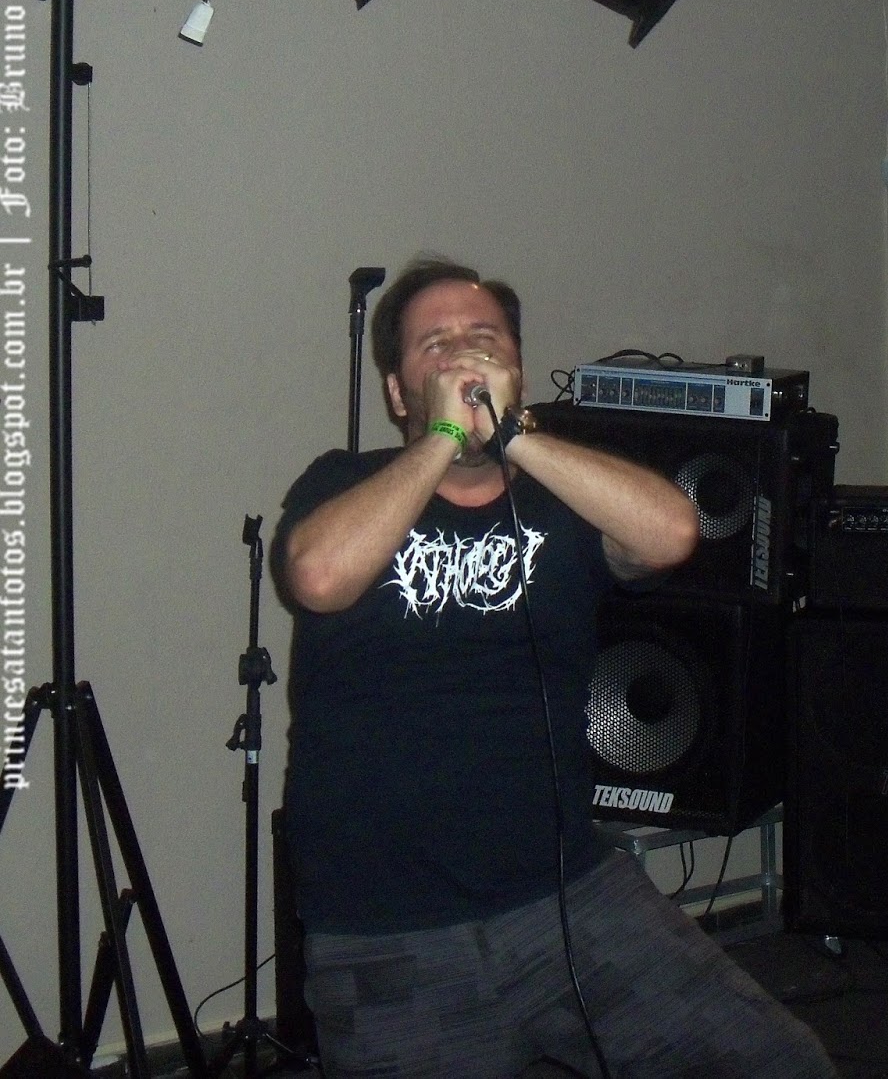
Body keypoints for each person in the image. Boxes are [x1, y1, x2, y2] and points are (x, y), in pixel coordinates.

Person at [273, 257, 838, 1079]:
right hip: (388, 934)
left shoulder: (562, 492)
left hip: (570, 897)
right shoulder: (345, 482)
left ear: (518, 370)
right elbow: (320, 577)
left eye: (484, 338)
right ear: (398, 391)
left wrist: (516, 437)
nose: (465, 357)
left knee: (784, 1063)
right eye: (436, 345)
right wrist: (443, 439)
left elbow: (673, 534)